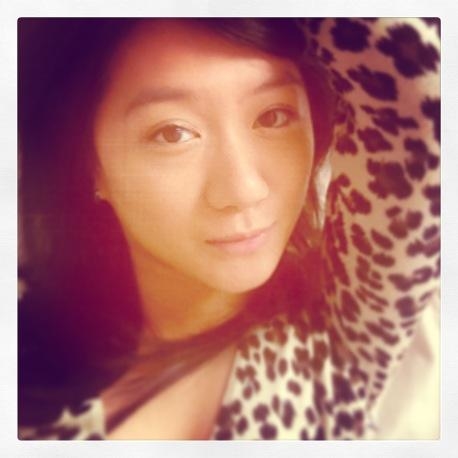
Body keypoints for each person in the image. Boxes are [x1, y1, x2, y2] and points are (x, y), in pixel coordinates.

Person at [18, 18, 440, 440]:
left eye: (274, 116)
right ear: (91, 164)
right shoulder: (29, 329)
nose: (243, 190)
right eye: (172, 133)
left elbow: (423, 94)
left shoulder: (341, 328)